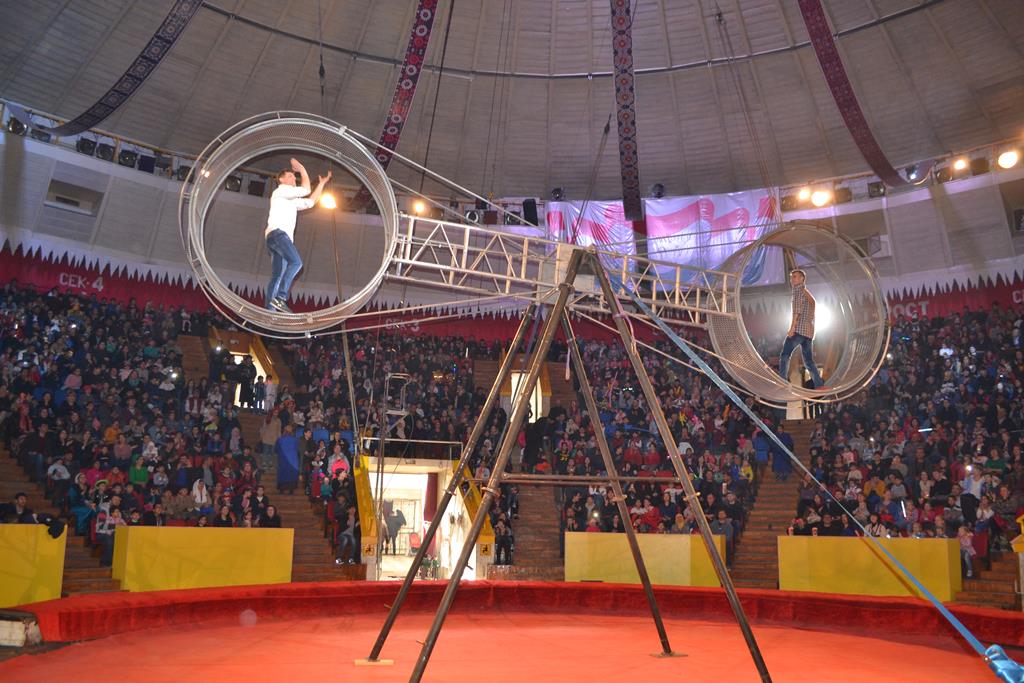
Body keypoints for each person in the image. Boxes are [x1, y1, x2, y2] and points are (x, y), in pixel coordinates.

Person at [264, 158, 332, 312]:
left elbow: (310, 202)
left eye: (294, 177)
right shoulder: (281, 190)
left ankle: (270, 310)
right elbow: (306, 189)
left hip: (274, 237)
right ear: (281, 180)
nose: (294, 179)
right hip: (279, 235)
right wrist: (301, 168)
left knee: (278, 275)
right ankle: (280, 298)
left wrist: (321, 184)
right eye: (290, 176)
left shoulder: (290, 199)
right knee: (296, 263)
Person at [779, 268, 824, 388]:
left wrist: (792, 328)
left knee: (785, 355)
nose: (791, 280)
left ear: (802, 279)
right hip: (808, 333)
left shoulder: (798, 290)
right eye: (791, 277)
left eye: (794, 277)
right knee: (808, 361)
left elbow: (797, 311)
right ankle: (819, 384)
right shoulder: (806, 292)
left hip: (799, 330)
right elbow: (813, 304)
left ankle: (782, 382)